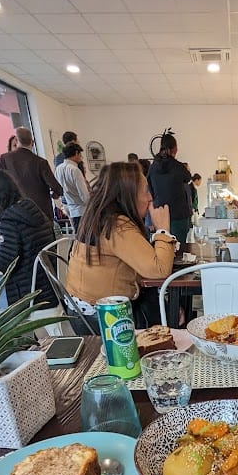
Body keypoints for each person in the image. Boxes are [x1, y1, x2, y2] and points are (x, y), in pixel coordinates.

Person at [65, 161, 177, 329]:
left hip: (81, 310)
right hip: (102, 318)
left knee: (161, 305)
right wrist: (163, 230)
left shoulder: (100, 215)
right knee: (166, 313)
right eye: (145, 191)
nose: (150, 198)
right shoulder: (118, 225)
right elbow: (159, 270)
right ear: (128, 194)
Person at [0, 169, 57, 313]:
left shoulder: (9, 221)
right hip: (50, 287)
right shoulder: (32, 209)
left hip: (29, 295)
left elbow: (4, 265)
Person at [0, 127, 62, 222]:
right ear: (32, 143)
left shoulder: (4, 159)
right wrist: (55, 194)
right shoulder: (40, 162)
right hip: (41, 212)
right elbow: (56, 187)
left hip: (17, 212)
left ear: (17, 141)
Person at [147, 132, 191, 246]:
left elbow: (150, 189)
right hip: (179, 215)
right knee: (179, 247)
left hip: (159, 214)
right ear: (175, 149)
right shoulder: (178, 167)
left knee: (162, 246)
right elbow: (188, 178)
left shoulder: (152, 168)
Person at [54, 142, 89, 234]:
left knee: (79, 238)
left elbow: (58, 188)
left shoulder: (58, 169)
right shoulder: (75, 170)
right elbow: (84, 195)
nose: (80, 157)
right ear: (76, 153)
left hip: (70, 207)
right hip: (82, 210)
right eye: (80, 154)